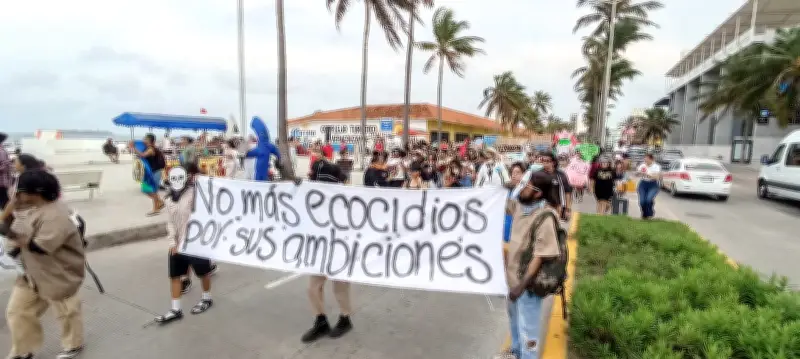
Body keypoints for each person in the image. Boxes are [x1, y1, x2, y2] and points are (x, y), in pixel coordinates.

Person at [1, 170, 86, 359]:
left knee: (67, 313)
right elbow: (14, 229)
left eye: (20, 191)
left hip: (58, 274)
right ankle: (23, 350)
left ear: (35, 192)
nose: (16, 195)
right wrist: (9, 211)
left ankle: (74, 344)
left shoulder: (56, 214)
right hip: (31, 273)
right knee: (18, 311)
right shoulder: (31, 209)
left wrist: (7, 233)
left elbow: (39, 246)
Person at [502, 171, 561, 359]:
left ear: (538, 193)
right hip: (512, 279)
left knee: (528, 327)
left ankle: (528, 355)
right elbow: (501, 206)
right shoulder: (521, 205)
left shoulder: (545, 217)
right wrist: (503, 190)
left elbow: (540, 255)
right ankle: (516, 351)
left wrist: (521, 285)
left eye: (527, 185)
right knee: (514, 320)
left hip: (527, 284)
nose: (523, 187)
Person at [155, 164, 215, 325]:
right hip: (178, 244)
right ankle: (176, 309)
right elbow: (170, 222)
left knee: (203, 273)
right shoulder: (168, 199)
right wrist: (172, 242)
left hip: (196, 242)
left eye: (180, 177)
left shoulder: (195, 193)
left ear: (186, 177)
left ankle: (206, 298)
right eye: (173, 177)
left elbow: (212, 200)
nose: (176, 180)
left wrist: (201, 181)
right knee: (175, 276)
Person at [303, 148, 352, 343]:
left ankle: (345, 318)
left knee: (340, 288)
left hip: (340, 247)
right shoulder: (313, 195)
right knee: (313, 288)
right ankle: (321, 320)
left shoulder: (344, 200)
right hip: (320, 248)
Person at [131, 134, 166, 216]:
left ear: (150, 140)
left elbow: (142, 155)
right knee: (146, 189)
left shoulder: (151, 149)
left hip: (155, 172)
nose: (144, 140)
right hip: (150, 172)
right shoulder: (147, 148)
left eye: (145, 139)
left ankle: (156, 209)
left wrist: (133, 147)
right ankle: (160, 202)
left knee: (152, 190)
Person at [540, 152, 573, 221]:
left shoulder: (561, 175)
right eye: (543, 160)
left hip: (558, 208)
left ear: (553, 162)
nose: (545, 163)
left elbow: (567, 192)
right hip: (542, 207)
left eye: (547, 161)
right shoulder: (538, 174)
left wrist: (568, 209)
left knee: (555, 227)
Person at [636, 154, 661, 219]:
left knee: (648, 199)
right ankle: (644, 213)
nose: (645, 160)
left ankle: (650, 212)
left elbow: (657, 177)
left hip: (653, 184)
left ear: (651, 159)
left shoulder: (656, 166)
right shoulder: (642, 165)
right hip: (643, 184)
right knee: (642, 201)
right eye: (645, 159)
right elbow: (637, 174)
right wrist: (639, 173)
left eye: (647, 159)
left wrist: (648, 174)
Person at [0, 132, 12, 210]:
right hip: (2, 183)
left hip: (1, 183)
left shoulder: (1, 152)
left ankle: (8, 220)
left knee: (4, 203)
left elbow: (4, 167)